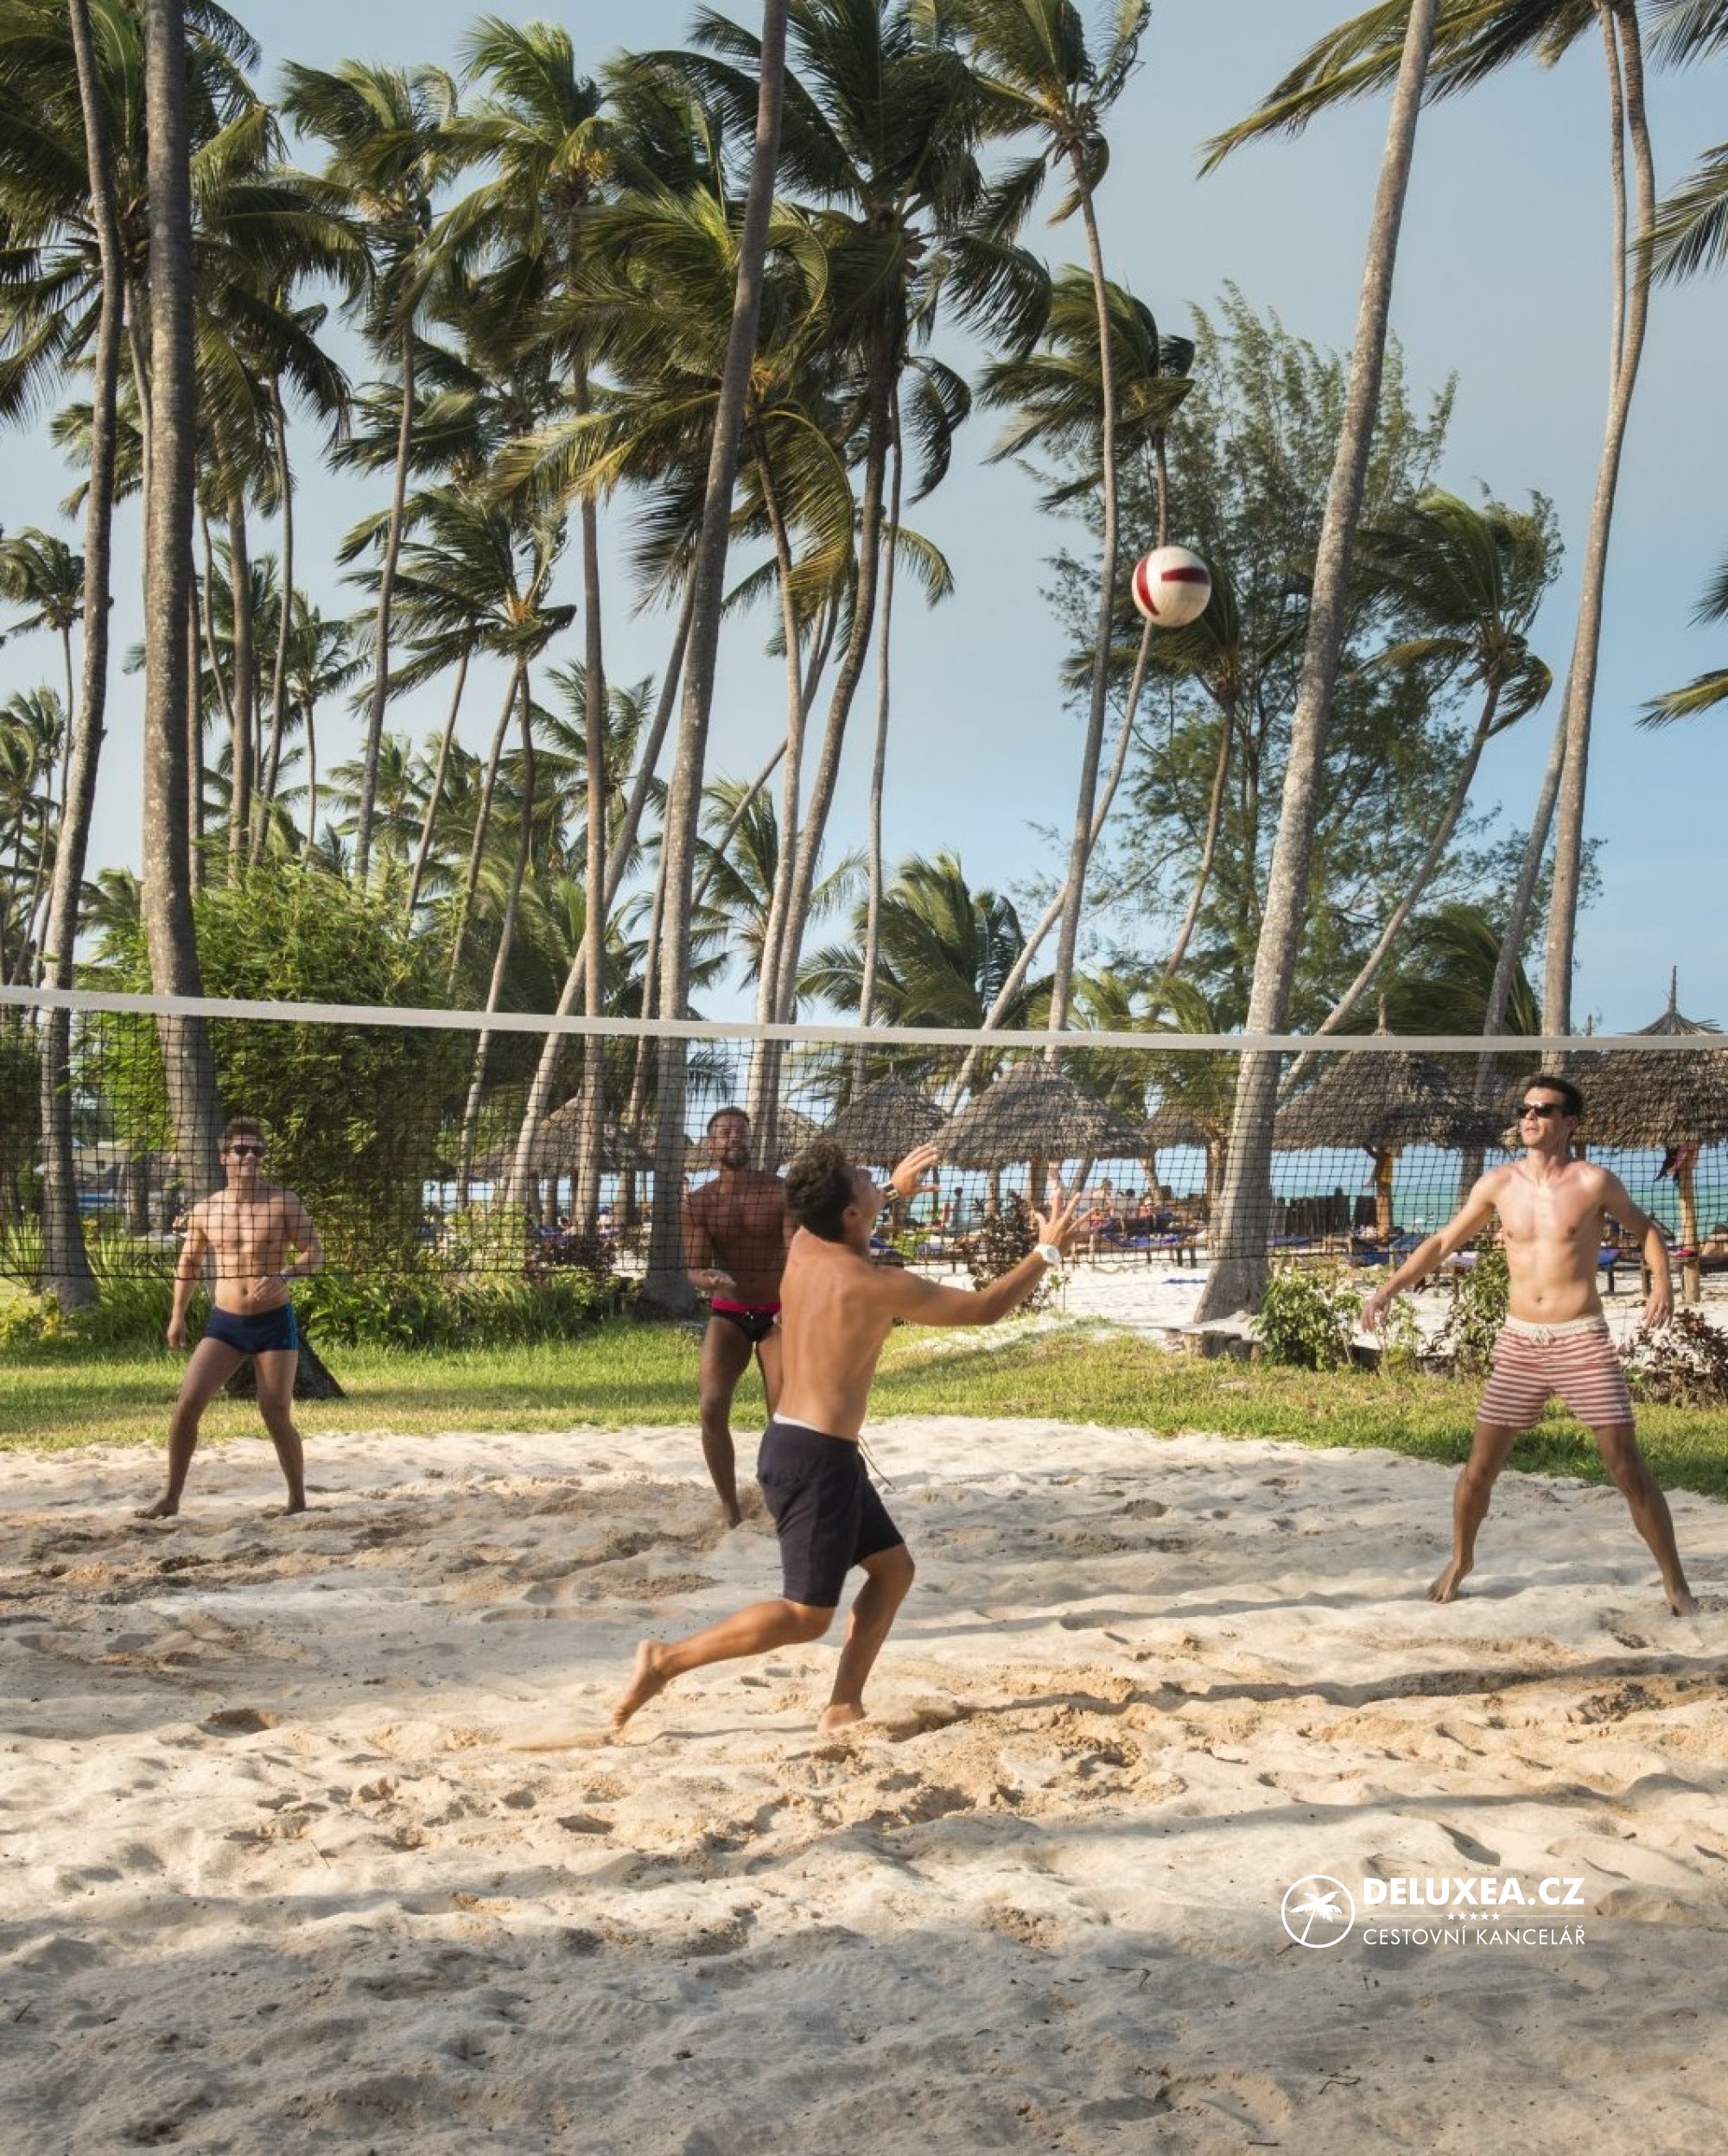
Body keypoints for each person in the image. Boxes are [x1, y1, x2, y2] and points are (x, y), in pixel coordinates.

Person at [613, 1140, 1084, 1734]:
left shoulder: (805, 1246)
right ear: (851, 1212)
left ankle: (843, 1705)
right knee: (806, 1615)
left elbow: (838, 1218)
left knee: (893, 1570)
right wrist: (1046, 1251)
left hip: (807, 1447)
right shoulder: (876, 1283)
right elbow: (985, 1308)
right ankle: (665, 1660)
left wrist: (887, 1192)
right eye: (859, 1177)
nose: (868, 1174)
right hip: (815, 1461)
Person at [1363, 1074, 1695, 1614]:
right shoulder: (1498, 1184)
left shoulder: (1594, 1181)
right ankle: (1461, 1560)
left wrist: (1663, 1286)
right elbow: (1443, 1241)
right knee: (1479, 1469)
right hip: (1520, 1342)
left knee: (1627, 1468)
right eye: (1525, 1110)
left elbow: (1647, 1231)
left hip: (1581, 1339)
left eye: (1543, 1109)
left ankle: (1676, 1584)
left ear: (1569, 1122)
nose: (1531, 1117)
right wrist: (1387, 1289)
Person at [138, 1118, 323, 1520]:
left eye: (258, 1150)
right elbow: (189, 1264)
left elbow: (315, 1253)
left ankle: (297, 1500)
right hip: (226, 1324)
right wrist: (177, 1316)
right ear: (224, 1157)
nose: (250, 1157)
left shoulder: (284, 1202)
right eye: (241, 1150)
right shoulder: (207, 1210)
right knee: (187, 1405)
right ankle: (170, 1498)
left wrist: (285, 1275)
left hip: (273, 1322)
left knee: (275, 1412)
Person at [683, 1105, 793, 1526]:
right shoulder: (699, 1203)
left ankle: (778, 1495)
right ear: (712, 1144)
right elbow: (694, 1269)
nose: (734, 1137)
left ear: (751, 1140)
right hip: (728, 1313)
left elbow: (797, 1254)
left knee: (783, 1415)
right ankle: (730, 1508)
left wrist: (795, 1306)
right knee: (711, 1407)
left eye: (740, 1131)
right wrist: (707, 1278)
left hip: (776, 1315)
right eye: (725, 1132)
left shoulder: (779, 1192)